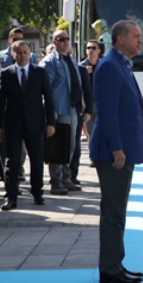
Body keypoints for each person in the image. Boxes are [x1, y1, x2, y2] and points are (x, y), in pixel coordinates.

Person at [90, 20, 143, 283]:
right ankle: (110, 270)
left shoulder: (120, 63)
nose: (140, 40)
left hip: (121, 150)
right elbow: (108, 113)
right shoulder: (111, 66)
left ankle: (115, 264)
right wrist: (117, 149)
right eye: (136, 36)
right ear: (120, 39)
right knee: (113, 212)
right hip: (114, 152)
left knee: (117, 212)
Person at [0, 40, 56, 210]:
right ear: (14, 54)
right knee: (12, 161)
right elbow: (1, 101)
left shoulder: (39, 72)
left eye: (25, 52)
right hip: (13, 125)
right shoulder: (6, 73)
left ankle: (37, 193)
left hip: (35, 123)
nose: (23, 55)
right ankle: (11, 197)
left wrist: (50, 123)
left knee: (37, 160)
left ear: (30, 54)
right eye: (19, 52)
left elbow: (49, 98)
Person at [40, 30, 83, 195]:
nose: (65, 42)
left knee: (70, 146)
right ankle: (56, 182)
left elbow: (77, 84)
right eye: (61, 39)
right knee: (57, 146)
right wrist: (51, 111)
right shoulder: (50, 61)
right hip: (59, 110)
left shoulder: (70, 59)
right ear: (54, 42)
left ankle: (66, 179)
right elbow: (46, 88)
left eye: (67, 39)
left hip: (72, 108)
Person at [0, 28, 38, 179]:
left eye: (21, 38)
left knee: (23, 148)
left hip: (27, 110)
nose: (18, 41)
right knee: (6, 147)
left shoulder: (32, 57)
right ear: (9, 40)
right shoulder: (2, 57)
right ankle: (8, 175)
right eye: (15, 38)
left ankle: (19, 171)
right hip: (7, 106)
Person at [69, 63, 94, 185]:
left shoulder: (80, 69)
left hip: (77, 112)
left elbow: (87, 91)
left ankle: (73, 175)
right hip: (61, 112)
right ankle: (61, 177)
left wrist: (88, 110)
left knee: (75, 145)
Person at [81, 41, 101, 155]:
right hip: (88, 105)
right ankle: (94, 157)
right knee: (91, 133)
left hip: (102, 103)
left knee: (103, 132)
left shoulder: (104, 65)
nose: (90, 50)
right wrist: (84, 73)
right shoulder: (81, 66)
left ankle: (102, 156)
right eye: (88, 47)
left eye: (93, 47)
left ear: (99, 50)